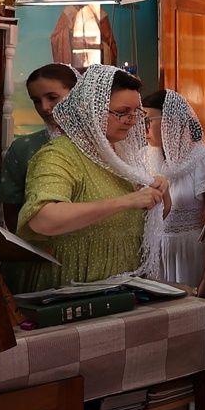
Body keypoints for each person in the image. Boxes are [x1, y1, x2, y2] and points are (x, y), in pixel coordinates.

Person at [18, 65, 168, 288]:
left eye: (137, 112)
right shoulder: (59, 155)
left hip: (123, 282)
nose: (132, 120)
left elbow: (146, 219)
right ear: (91, 109)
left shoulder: (124, 156)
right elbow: (43, 219)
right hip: (75, 282)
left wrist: (161, 193)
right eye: (122, 112)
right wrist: (126, 201)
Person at [142, 90, 205, 288]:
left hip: (190, 253)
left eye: (148, 120)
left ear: (171, 122)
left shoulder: (204, 162)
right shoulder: (142, 159)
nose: (143, 128)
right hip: (155, 254)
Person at [0, 63, 78, 230]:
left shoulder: (106, 145)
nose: (44, 107)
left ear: (77, 94)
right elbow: (12, 210)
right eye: (36, 101)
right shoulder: (23, 148)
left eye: (52, 97)